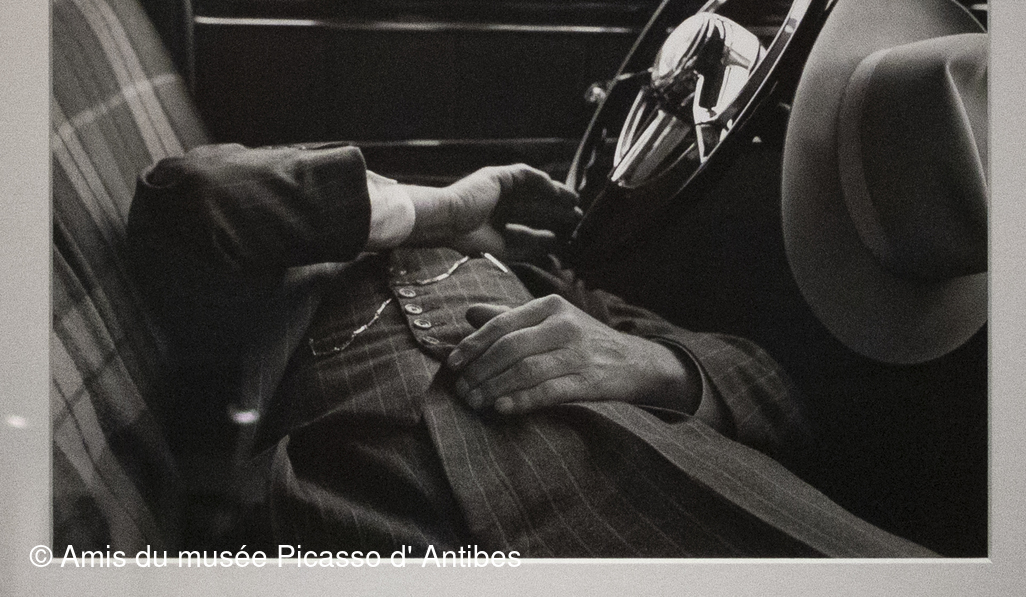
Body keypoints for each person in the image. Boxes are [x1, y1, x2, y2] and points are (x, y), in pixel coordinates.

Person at [124, 142, 934, 558]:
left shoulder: (559, 285)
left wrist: (647, 364)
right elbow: (194, 197)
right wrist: (439, 210)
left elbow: (777, 396)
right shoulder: (297, 260)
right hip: (374, 503)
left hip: (650, 480)